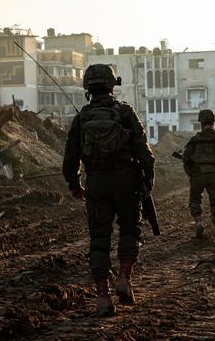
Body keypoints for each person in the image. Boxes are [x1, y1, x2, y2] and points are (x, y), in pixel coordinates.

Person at [62, 64, 155, 317]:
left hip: (97, 183)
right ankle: (124, 279)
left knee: (99, 239)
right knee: (129, 230)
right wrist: (148, 179)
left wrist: (75, 185)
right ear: (113, 85)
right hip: (126, 181)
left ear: (87, 88)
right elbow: (145, 152)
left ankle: (103, 298)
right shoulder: (125, 113)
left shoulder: (82, 117)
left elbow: (70, 159)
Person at [181, 110, 215, 244]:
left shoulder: (195, 140)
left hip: (198, 175)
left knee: (195, 201)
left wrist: (191, 174)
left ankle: (198, 223)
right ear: (213, 122)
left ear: (201, 123)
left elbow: (185, 159)